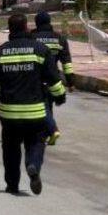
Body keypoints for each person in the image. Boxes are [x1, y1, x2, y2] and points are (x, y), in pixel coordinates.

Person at [0, 14, 66, 195]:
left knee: (10, 151)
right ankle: (33, 165)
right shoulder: (40, 50)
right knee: (36, 143)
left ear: (10, 29)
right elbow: (53, 79)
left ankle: (12, 185)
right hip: (35, 113)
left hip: (10, 115)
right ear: (26, 27)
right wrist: (60, 97)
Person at [31, 11, 75, 145]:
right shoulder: (60, 38)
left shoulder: (32, 38)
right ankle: (46, 134)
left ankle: (52, 130)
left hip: (37, 78)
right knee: (48, 105)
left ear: (37, 23)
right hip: (54, 78)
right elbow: (66, 63)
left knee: (42, 106)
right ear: (50, 22)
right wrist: (71, 82)